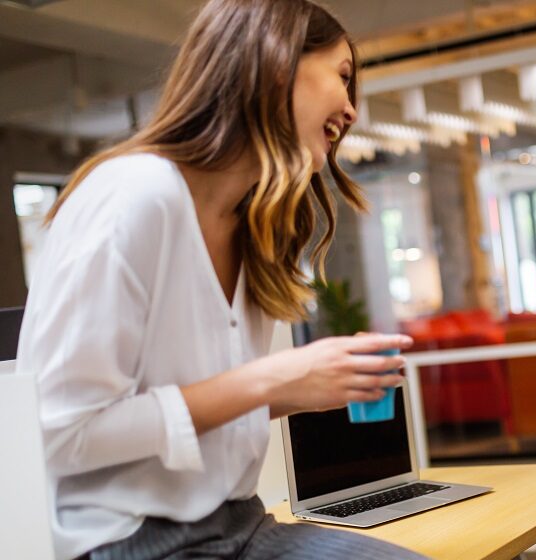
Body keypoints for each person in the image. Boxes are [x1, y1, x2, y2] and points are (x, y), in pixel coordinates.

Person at [16, 1, 428, 558]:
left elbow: (208, 407)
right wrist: (271, 381)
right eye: (343, 77)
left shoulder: (255, 227)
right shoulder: (134, 195)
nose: (352, 111)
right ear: (276, 61)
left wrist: (308, 387)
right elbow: (60, 434)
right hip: (127, 544)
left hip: (239, 524)